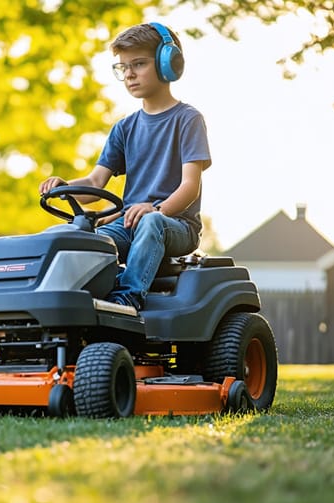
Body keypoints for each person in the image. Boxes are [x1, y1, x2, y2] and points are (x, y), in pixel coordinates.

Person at [38, 22, 211, 310]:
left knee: (150, 221)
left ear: (168, 64)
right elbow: (94, 185)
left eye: (139, 64)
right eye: (123, 67)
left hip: (175, 224)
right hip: (129, 222)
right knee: (79, 241)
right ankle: (65, 306)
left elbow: (190, 186)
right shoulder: (125, 128)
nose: (129, 74)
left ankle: (129, 297)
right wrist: (65, 188)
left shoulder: (188, 119)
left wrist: (156, 210)